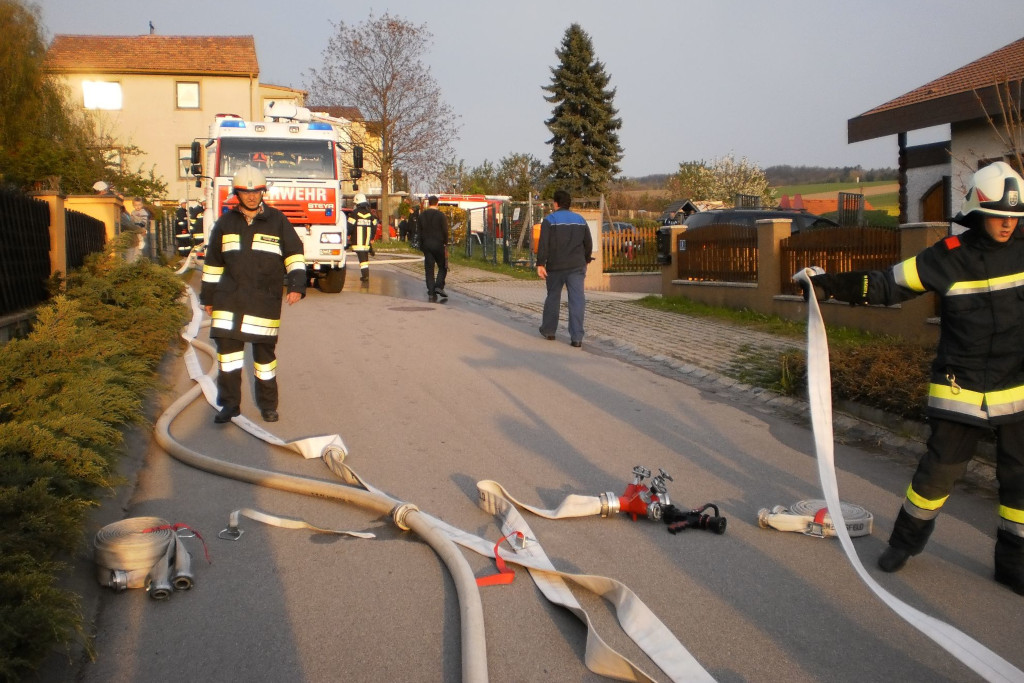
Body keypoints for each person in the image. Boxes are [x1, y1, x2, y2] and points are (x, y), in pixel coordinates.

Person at [803, 161, 1024, 593]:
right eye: (1000, 216)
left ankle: (1013, 565)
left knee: (1020, 484)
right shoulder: (947, 258)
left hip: (1017, 389)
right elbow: (887, 285)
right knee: (936, 476)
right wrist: (829, 286)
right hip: (962, 389)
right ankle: (904, 544)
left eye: (1015, 218)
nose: (1008, 226)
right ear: (978, 210)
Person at [200, 166, 306, 424]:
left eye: (256, 191)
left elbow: (294, 254)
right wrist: (209, 298)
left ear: (263, 192)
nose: (251, 196)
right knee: (228, 358)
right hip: (229, 300)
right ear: (237, 193)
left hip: (263, 300)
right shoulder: (225, 224)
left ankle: (268, 405)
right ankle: (229, 405)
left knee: (264, 359)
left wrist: (296, 285)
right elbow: (213, 263)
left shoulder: (277, 221)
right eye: (246, 192)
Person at [536, 189, 593, 348]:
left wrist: (540, 264)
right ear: (569, 204)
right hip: (576, 266)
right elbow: (588, 242)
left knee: (553, 297)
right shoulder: (580, 220)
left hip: (555, 266)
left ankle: (549, 331)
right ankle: (576, 338)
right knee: (577, 300)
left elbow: (543, 244)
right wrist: (586, 259)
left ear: (555, 203)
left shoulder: (550, 220)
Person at [418, 195, 449, 300]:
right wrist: (445, 242)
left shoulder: (422, 215)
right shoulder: (441, 215)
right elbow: (445, 230)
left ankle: (431, 291)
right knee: (443, 266)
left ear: (429, 203)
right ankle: (439, 286)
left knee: (429, 268)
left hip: (426, 245)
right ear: (437, 203)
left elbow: (419, 231)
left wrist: (421, 245)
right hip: (438, 244)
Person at [347, 193, 378, 282]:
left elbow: (350, 226)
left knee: (362, 260)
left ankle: (365, 276)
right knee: (364, 258)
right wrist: (372, 237)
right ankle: (365, 274)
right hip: (366, 241)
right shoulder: (370, 214)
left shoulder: (354, 213)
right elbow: (374, 226)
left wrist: (347, 235)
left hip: (357, 240)